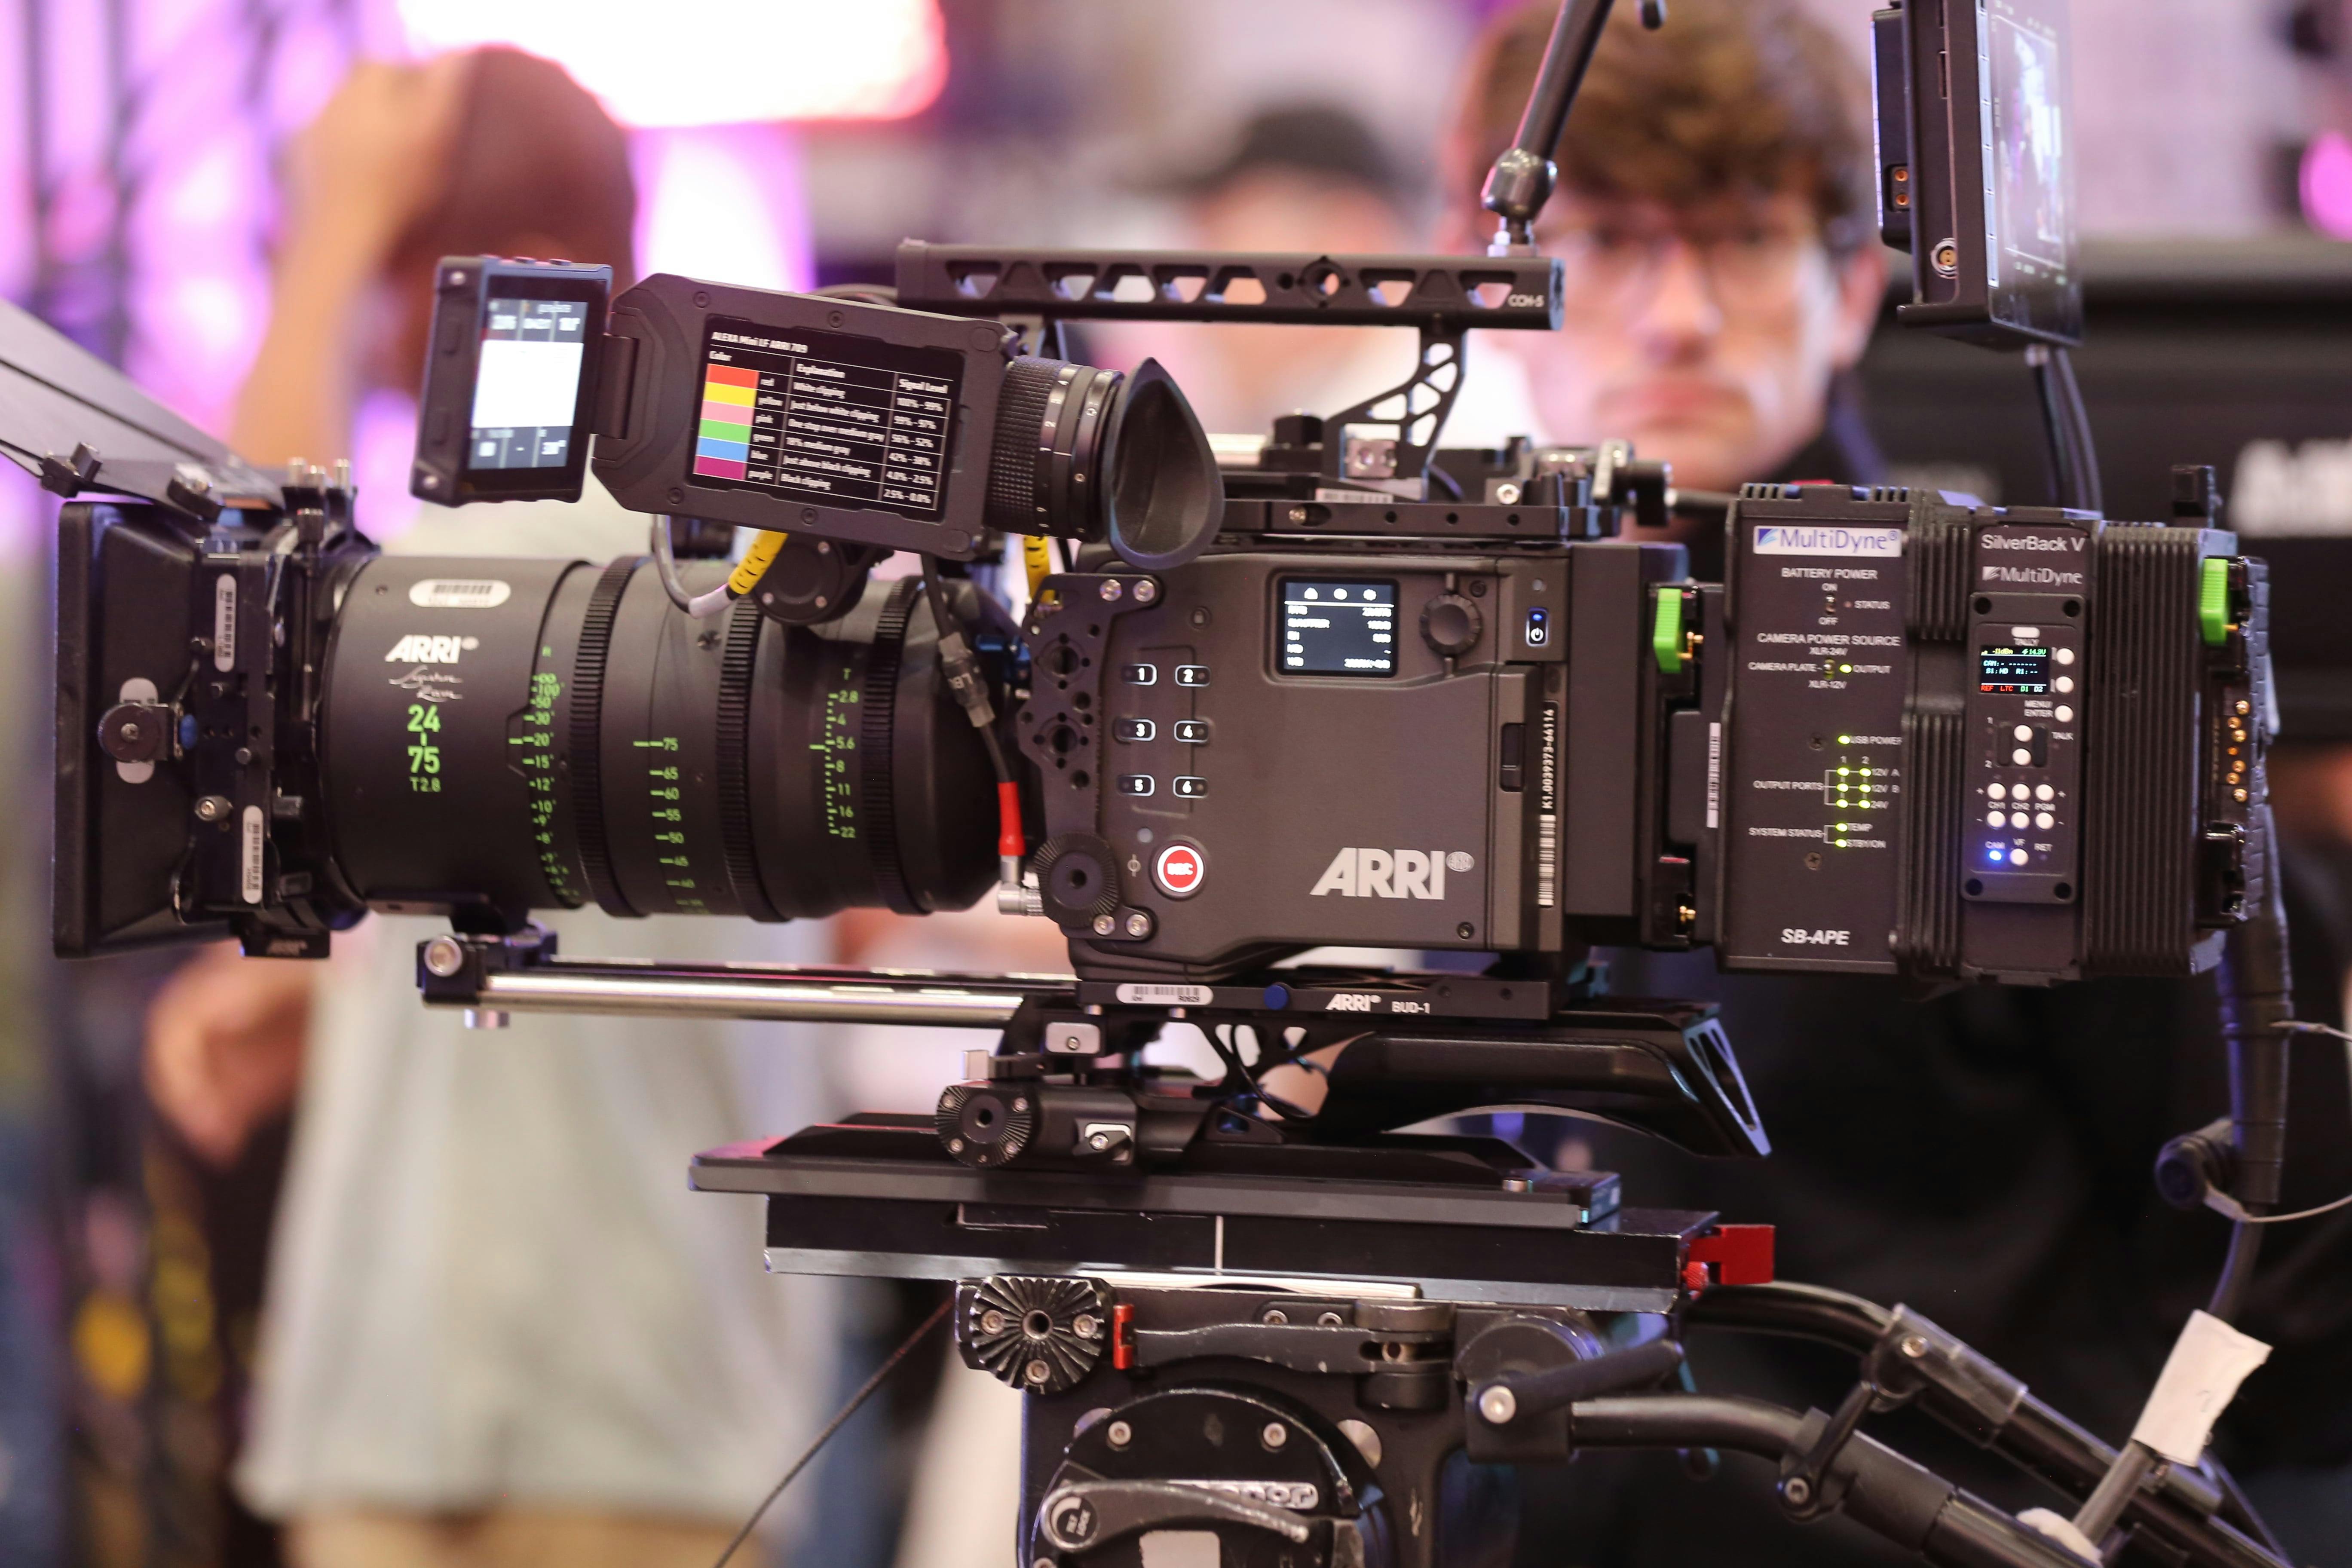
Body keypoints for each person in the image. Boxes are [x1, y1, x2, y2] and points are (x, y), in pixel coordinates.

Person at [1443, 6, 2352, 1566]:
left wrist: (2107, 1515)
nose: (1670, 315)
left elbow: (2292, 1242)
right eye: (1604, 238)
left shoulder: (2039, 668)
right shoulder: (1410, 663)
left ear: (1853, 279)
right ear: (1509, 283)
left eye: (1735, 240)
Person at [144, 51, 839, 1568]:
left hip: (604, 1419)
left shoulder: (615, 554)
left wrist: (334, 228)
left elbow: (247, 620)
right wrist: (336, 1000)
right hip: (465, 1407)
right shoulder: (515, 565)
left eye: (359, 257)